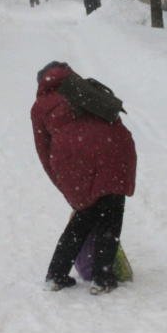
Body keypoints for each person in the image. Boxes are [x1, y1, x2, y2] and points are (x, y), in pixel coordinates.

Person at [31, 61, 136, 294]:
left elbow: (44, 152)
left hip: (77, 164)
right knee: (110, 215)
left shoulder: (40, 107)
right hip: (116, 154)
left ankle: (56, 275)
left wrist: (65, 186)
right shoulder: (84, 88)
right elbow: (114, 120)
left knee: (84, 216)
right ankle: (102, 277)